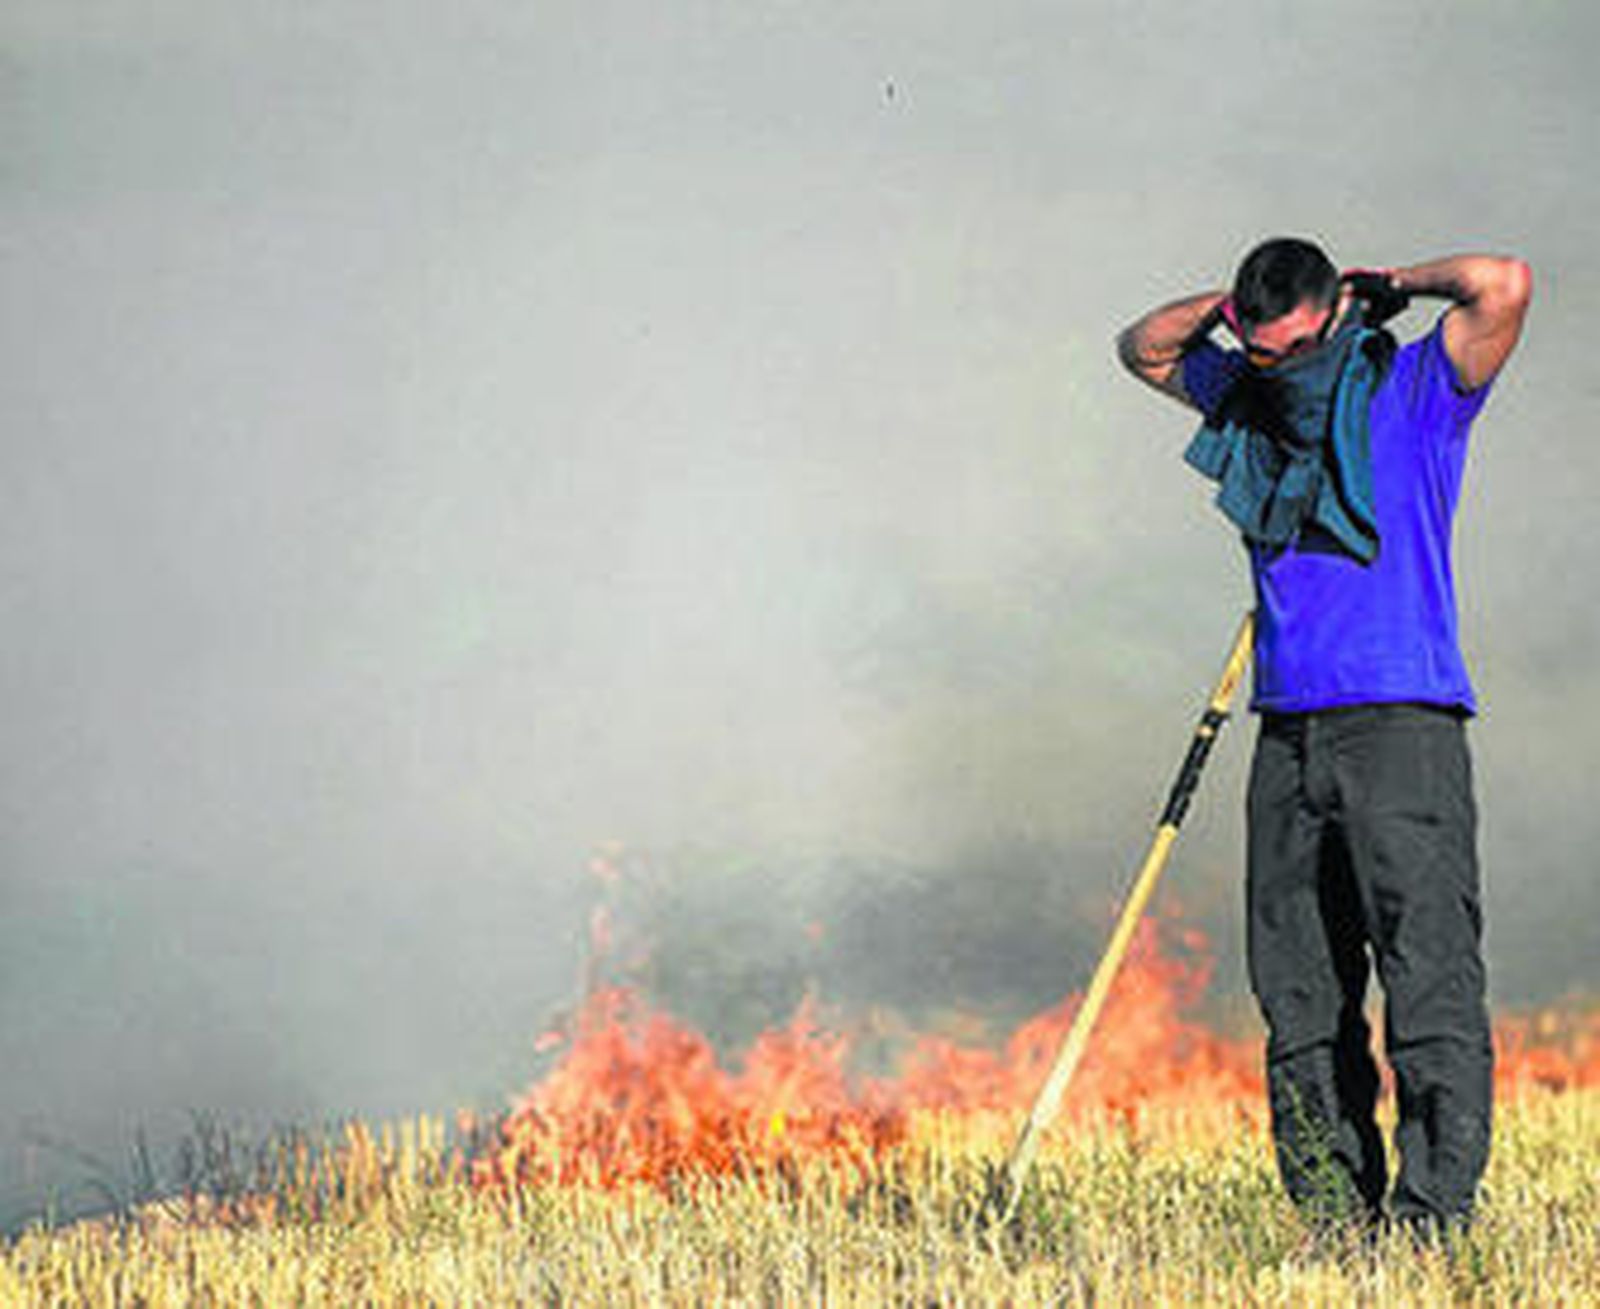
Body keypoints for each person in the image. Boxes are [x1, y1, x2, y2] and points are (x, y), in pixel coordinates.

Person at [1114, 238, 1532, 1234]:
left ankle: (1431, 1223)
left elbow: (1502, 283)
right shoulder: (1251, 399)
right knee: (1299, 992)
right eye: (1262, 355)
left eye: (1296, 348)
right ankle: (1335, 1223)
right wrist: (1230, 311)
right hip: (1287, 732)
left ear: (1334, 317)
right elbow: (1143, 347)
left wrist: (1390, 286)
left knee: (1427, 979)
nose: (1280, 372)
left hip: (1403, 723)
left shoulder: (1418, 384)